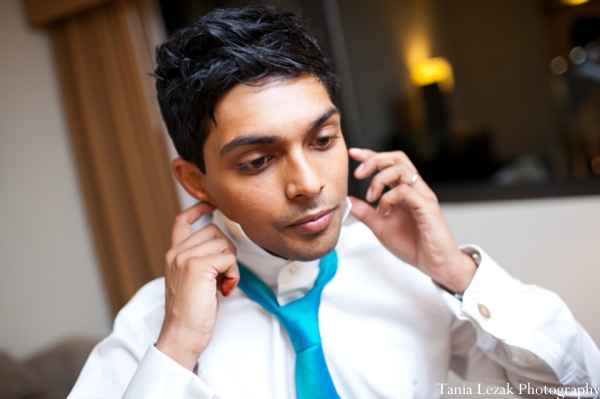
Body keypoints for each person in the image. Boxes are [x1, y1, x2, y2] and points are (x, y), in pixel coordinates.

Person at [68, 6, 600, 398]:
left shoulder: (410, 275)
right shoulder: (152, 329)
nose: (309, 183)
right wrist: (180, 344)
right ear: (197, 182)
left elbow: (578, 388)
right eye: (257, 161)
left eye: (323, 141)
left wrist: (458, 271)